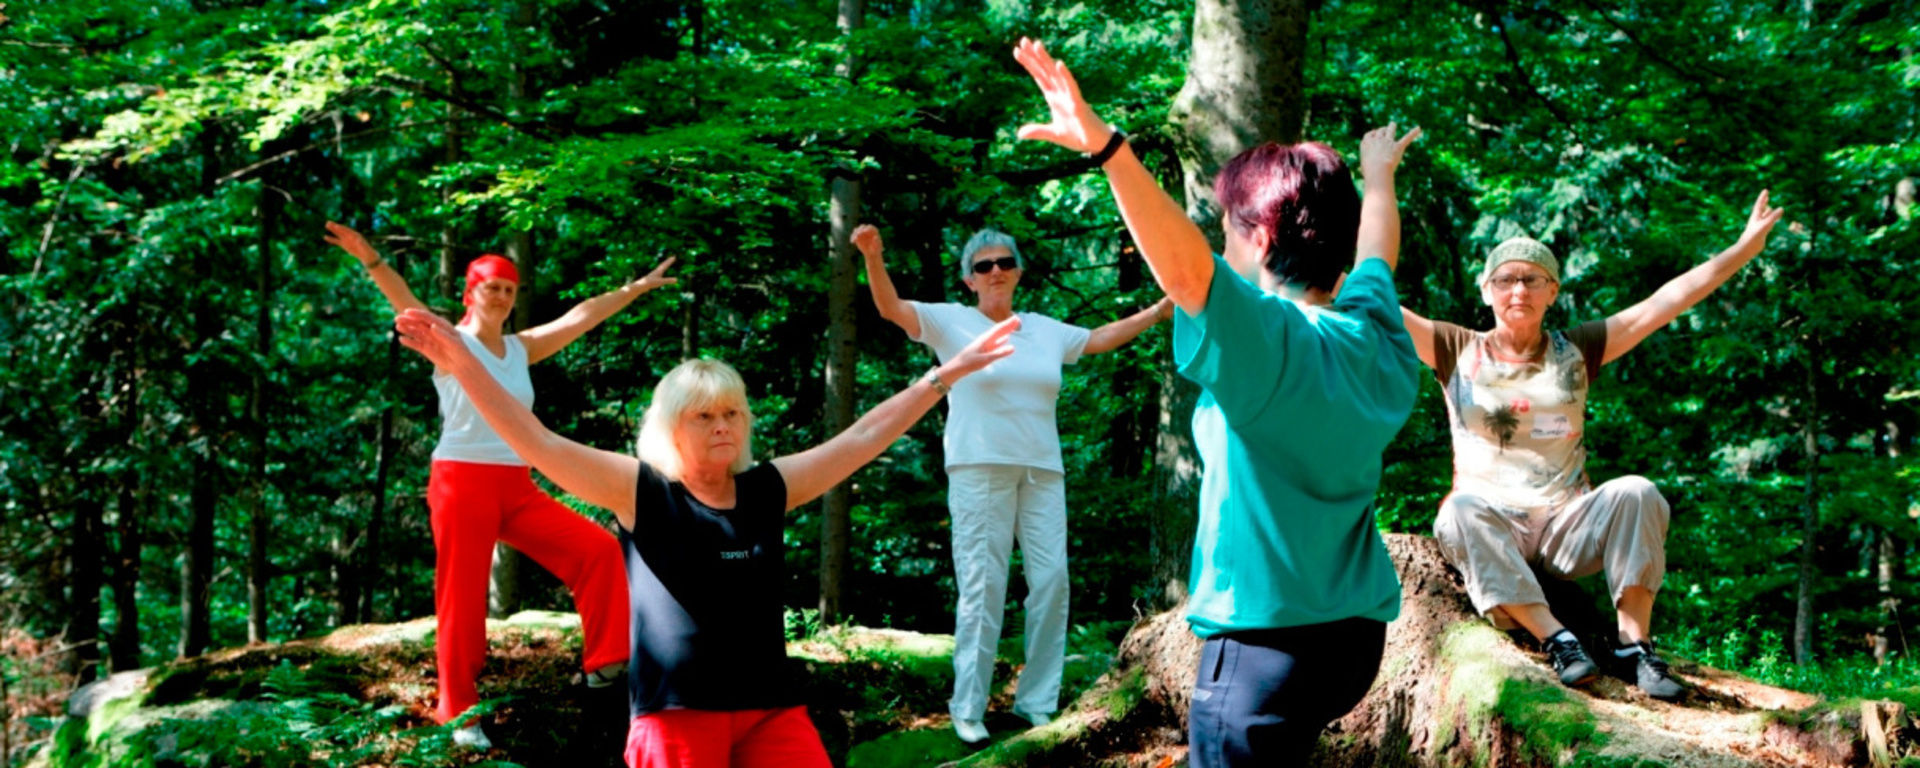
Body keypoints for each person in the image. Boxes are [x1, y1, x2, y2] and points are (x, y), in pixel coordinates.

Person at [1012, 38, 1423, 765]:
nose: (1218, 243)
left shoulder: (1267, 341)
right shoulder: (1374, 333)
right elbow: (1377, 252)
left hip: (1263, 651)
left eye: (1226, 228)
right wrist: (1377, 176)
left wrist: (1107, 149)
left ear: (1261, 235)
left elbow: (1184, 270)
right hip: (1353, 641)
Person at [391, 306, 1019, 768]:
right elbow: (539, 443)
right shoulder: (642, 491)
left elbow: (858, 439)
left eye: (733, 413)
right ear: (672, 425)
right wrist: (466, 366)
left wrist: (943, 377)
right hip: (677, 720)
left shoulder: (767, 488)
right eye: (705, 415)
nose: (724, 426)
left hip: (773, 711)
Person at [1401, 192, 1785, 700]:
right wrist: (1291, 264)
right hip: (1492, 521)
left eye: (1532, 279)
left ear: (1553, 290)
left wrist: (1741, 250)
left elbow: (1665, 302)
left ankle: (1635, 647)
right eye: (1506, 279)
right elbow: (1369, 304)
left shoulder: (1579, 349)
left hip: (1566, 525)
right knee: (1459, 511)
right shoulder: (1454, 347)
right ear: (1486, 289)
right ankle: (1557, 640)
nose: (1519, 289)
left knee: (1637, 491)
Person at [324, 222, 676, 749]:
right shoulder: (449, 342)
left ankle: (605, 664)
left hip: (516, 484)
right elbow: (401, 296)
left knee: (598, 550)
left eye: (510, 289)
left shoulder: (519, 350)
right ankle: (458, 712)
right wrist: (370, 256)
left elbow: (580, 318)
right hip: (460, 483)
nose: (503, 296)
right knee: (461, 599)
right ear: (470, 290)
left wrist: (634, 289)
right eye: (493, 286)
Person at [853, 222, 1172, 742]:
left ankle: (1036, 702)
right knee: (984, 586)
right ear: (969, 279)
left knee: (1052, 582)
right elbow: (890, 307)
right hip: (979, 468)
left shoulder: (1043, 329)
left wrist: (1158, 311)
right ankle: (968, 707)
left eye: (1004, 263)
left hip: (1042, 470)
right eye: (983, 266)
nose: (995, 272)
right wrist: (872, 254)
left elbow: (1098, 339)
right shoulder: (949, 321)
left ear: (1018, 271)